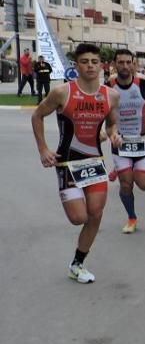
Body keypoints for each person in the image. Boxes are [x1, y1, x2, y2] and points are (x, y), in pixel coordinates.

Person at [31, 43, 120, 283]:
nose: (90, 65)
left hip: (94, 162)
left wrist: (113, 134)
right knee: (79, 217)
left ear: (102, 65)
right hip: (67, 163)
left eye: (94, 61)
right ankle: (77, 261)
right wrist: (43, 149)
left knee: (96, 212)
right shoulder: (62, 92)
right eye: (85, 61)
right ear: (76, 65)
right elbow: (37, 115)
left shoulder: (111, 95)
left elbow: (112, 123)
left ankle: (77, 263)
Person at [108, 48, 145, 233]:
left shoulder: (143, 84)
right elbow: (101, 111)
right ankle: (131, 217)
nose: (125, 66)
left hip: (142, 141)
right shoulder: (108, 85)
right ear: (115, 64)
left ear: (134, 63)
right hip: (121, 142)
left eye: (128, 62)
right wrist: (109, 133)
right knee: (127, 184)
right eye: (121, 62)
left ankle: (123, 169)